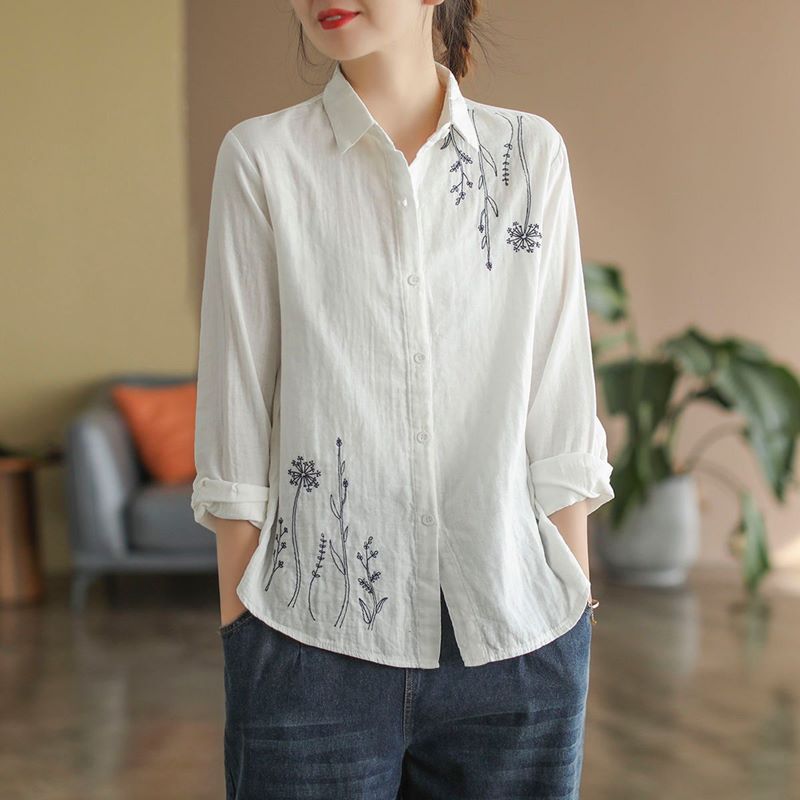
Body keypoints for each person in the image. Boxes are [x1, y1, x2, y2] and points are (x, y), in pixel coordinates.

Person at [190, 1, 614, 797]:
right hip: (307, 649)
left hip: (519, 641)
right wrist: (245, 632)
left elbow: (559, 404)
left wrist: (571, 606)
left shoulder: (528, 156)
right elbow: (235, 417)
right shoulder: (263, 160)